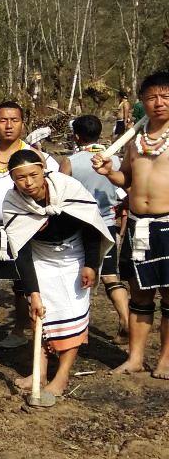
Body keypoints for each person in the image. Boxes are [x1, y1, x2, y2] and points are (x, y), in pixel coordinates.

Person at [5, 150, 112, 396]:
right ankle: (40, 371)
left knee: (72, 314)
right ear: (13, 180)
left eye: (33, 174)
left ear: (43, 170)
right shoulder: (13, 202)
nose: (28, 183)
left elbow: (91, 225)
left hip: (75, 255)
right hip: (40, 257)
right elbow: (20, 251)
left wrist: (91, 264)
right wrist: (33, 292)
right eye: (21, 178)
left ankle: (62, 376)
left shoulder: (68, 187)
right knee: (41, 313)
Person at [94, 71, 169, 378]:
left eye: (165, 96)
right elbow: (126, 179)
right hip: (138, 225)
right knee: (139, 295)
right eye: (152, 97)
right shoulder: (135, 141)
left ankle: (165, 359)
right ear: (142, 102)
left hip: (168, 225)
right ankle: (135, 357)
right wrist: (108, 172)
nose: (159, 103)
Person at [0, 101, 58, 350]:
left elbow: (52, 185)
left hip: (22, 227)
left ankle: (18, 330)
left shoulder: (34, 155)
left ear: (22, 122)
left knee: (21, 284)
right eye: (3, 120)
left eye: (14, 120)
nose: (8, 126)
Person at [60, 115, 130, 341]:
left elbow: (59, 193)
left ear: (76, 136)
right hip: (107, 224)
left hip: (80, 227)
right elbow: (125, 188)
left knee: (78, 278)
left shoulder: (71, 162)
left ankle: (78, 328)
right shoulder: (115, 161)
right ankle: (126, 320)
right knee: (111, 276)